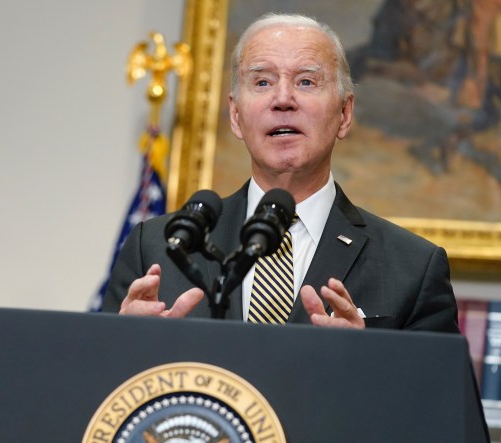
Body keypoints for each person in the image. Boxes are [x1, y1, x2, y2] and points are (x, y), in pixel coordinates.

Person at [102, 13, 459, 333]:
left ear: (345, 114)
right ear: (236, 116)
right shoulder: (155, 247)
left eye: (306, 81)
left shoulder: (413, 268)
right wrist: (126, 346)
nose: (283, 99)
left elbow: (438, 404)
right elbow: (94, 391)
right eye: (262, 82)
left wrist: (364, 365)